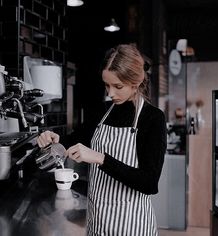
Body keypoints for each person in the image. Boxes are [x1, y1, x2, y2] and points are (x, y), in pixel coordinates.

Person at [37, 44, 167, 236]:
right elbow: (75, 139)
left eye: (118, 86)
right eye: (107, 85)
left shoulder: (153, 118)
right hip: (98, 220)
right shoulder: (102, 111)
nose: (110, 93)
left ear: (136, 82)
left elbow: (149, 183)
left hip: (132, 225)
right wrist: (58, 141)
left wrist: (101, 158)